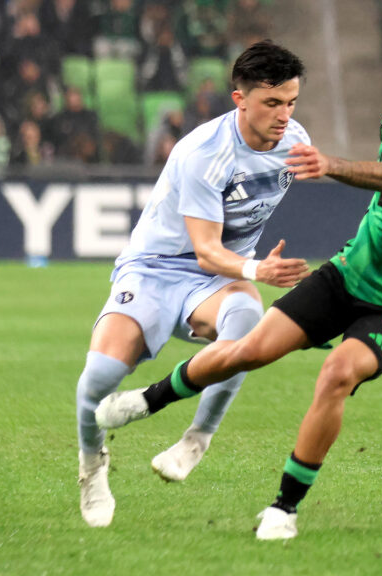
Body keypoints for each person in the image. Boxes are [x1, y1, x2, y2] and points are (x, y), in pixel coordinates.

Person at [94, 49, 382, 541]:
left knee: (337, 373)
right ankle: (146, 401)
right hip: (347, 275)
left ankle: (284, 508)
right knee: (249, 350)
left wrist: (331, 165)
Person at [74, 40, 312, 528]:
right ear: (238, 98)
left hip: (219, 278)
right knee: (98, 379)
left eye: (290, 102)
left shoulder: (295, 141)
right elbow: (205, 249)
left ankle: (195, 440)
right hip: (156, 269)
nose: (284, 114)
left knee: (248, 328)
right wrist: (255, 271)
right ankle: (92, 466)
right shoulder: (204, 153)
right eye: (271, 103)